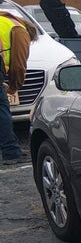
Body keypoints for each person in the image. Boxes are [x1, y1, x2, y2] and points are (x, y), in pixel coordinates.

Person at [0, 10, 37, 165]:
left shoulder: (4, 21)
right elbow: (18, 67)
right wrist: (14, 87)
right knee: (2, 111)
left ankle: (12, 150)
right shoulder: (19, 31)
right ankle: (11, 153)